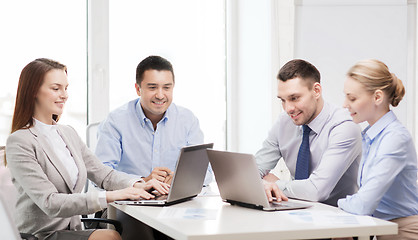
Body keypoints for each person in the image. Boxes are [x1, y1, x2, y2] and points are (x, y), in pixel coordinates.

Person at [6, 58, 170, 240]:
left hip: (72, 229)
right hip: (40, 235)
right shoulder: (20, 141)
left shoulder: (67, 133)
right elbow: (49, 202)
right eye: (56, 88)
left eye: (66, 88)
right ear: (34, 91)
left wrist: (139, 185)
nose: (64, 95)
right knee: (111, 237)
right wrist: (111, 196)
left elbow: (104, 175)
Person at [256, 59, 362, 206]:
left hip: (338, 219)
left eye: (294, 98)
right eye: (283, 100)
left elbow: (316, 191)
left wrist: (276, 184)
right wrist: (261, 184)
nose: (288, 108)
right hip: (296, 211)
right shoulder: (284, 122)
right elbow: (256, 169)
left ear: (316, 91)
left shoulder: (344, 128)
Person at [95, 55, 212, 185]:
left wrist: (180, 179)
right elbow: (100, 175)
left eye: (166, 88)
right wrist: (142, 182)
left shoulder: (187, 120)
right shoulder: (115, 122)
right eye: (152, 87)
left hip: (175, 202)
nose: (160, 95)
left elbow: (205, 172)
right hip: (131, 200)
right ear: (138, 89)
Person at [338, 59, 418, 239]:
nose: (345, 104)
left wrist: (337, 202)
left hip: (403, 230)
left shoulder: (394, 138)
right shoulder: (371, 136)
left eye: (352, 98)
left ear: (377, 97)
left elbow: (363, 204)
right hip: (382, 227)